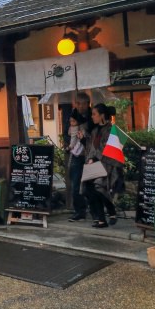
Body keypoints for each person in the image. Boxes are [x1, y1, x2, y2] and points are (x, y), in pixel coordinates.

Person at [83, 103, 117, 229]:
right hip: (94, 164)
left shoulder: (111, 130)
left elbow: (106, 149)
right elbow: (91, 147)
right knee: (89, 190)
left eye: (94, 114)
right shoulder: (95, 130)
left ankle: (107, 214)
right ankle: (102, 216)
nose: (92, 117)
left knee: (99, 189)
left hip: (106, 165)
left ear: (102, 115)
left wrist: (94, 157)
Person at [67, 91, 92, 222]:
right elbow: (71, 134)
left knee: (92, 185)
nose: (81, 106)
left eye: (83, 104)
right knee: (75, 184)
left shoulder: (93, 115)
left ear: (88, 104)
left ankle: (95, 210)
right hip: (77, 154)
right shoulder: (73, 114)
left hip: (90, 154)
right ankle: (79, 211)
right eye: (78, 104)